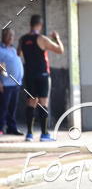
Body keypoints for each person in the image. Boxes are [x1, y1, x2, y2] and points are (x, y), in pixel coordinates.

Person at [18, 14, 64, 142]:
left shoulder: (23, 39)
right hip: (42, 75)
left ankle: (29, 134)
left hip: (30, 75)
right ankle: (44, 134)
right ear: (40, 25)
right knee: (43, 103)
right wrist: (57, 38)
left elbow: (19, 53)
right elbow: (60, 50)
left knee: (30, 102)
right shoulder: (42, 39)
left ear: (30, 24)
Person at [0, 27, 24, 136]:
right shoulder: (0, 50)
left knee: (12, 108)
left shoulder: (13, 49)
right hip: (5, 84)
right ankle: (1, 128)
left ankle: (11, 128)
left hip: (16, 83)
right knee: (3, 107)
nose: (11, 37)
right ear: (3, 36)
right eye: (8, 35)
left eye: (12, 35)